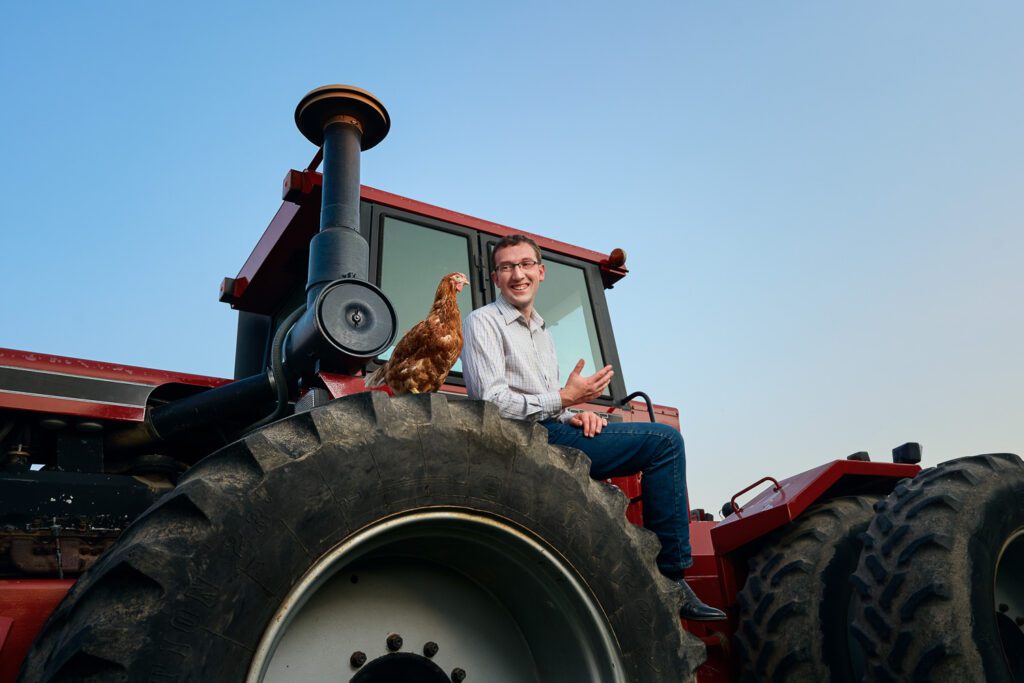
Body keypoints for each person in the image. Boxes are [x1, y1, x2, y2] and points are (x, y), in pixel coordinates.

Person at [461, 234, 725, 622]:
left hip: (548, 428)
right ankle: (669, 579)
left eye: (524, 264)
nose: (517, 274)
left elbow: (543, 402)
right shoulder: (482, 321)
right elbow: (491, 403)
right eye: (506, 267)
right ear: (496, 278)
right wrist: (564, 400)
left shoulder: (542, 333)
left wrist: (574, 414)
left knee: (654, 441)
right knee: (664, 442)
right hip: (516, 439)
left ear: (540, 271)